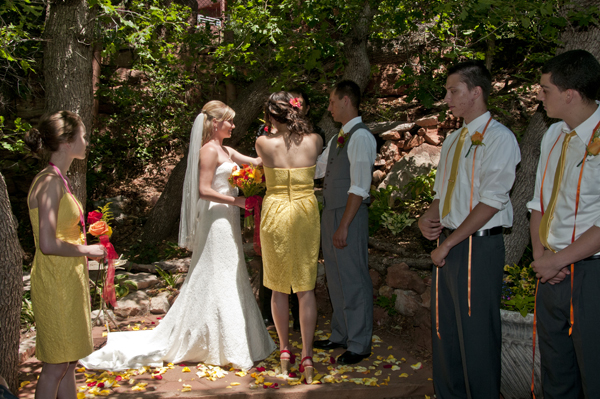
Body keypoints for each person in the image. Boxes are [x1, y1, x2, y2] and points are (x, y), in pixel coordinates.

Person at [80, 100, 276, 371]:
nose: (233, 125)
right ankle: (213, 340)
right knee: (218, 270)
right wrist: (239, 202)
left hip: (227, 217)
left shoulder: (226, 149)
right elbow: (203, 190)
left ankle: (232, 337)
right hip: (216, 217)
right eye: (229, 120)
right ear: (215, 123)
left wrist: (273, 136)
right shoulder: (208, 151)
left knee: (231, 271)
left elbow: (256, 162)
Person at [417, 60, 520, 398]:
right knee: (444, 329)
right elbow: (442, 195)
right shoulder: (452, 140)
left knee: (476, 333)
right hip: (450, 241)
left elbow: (492, 201)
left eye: (453, 91)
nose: (446, 98)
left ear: (476, 92)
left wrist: (448, 244)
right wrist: (428, 218)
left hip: (478, 246)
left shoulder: (501, 139)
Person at [527, 49, 600, 398]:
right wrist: (543, 256)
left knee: (594, 372)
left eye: (545, 90)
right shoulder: (553, 134)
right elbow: (539, 203)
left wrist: (560, 259)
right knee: (556, 373)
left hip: (591, 274)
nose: (539, 97)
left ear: (569, 93)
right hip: (551, 271)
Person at [24, 111, 107, 399]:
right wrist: (87, 250)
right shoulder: (48, 182)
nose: (87, 141)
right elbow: (47, 243)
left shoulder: (58, 179)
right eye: (83, 136)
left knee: (69, 363)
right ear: (68, 142)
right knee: (56, 365)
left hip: (68, 278)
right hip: (55, 280)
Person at [255, 91, 323, 383]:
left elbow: (263, 162)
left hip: (276, 210)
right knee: (306, 286)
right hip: (306, 212)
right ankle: (307, 354)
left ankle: (285, 351)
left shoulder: (263, 143)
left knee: (279, 285)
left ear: (272, 115)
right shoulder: (316, 140)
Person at [313, 80, 377, 365]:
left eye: (331, 102)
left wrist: (344, 225)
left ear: (346, 100)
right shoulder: (339, 136)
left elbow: (360, 186)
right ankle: (340, 333)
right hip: (331, 213)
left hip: (348, 215)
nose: (329, 108)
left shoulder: (361, 137)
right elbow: (319, 170)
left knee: (353, 278)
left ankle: (360, 343)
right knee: (337, 278)